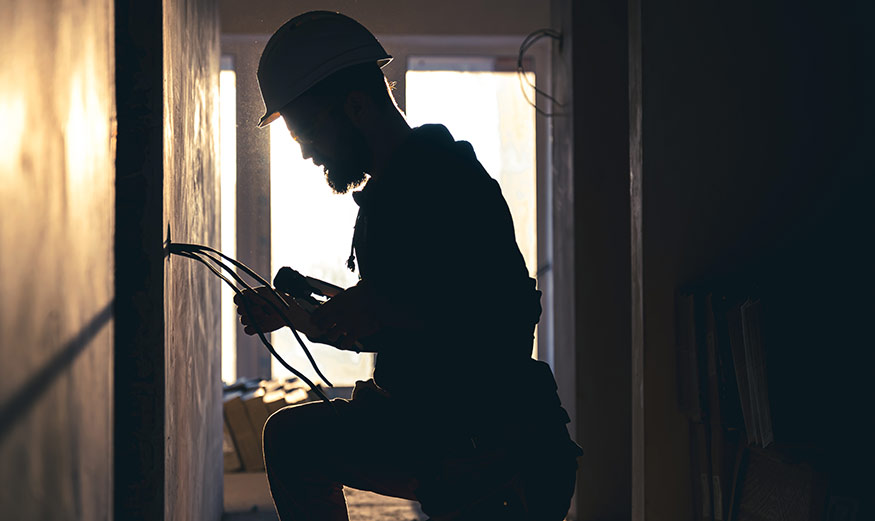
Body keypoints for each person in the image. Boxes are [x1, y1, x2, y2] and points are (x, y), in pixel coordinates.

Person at [235, 11, 581, 521]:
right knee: (293, 441)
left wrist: (382, 310)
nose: (306, 154)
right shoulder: (393, 194)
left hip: (502, 457)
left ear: (356, 105)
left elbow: (503, 317)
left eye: (307, 132)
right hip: (446, 440)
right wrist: (301, 317)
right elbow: (402, 327)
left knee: (296, 443)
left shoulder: (445, 183)